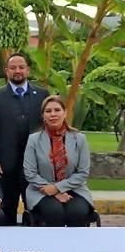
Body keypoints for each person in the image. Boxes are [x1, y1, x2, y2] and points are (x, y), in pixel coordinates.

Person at [0, 53, 49, 224]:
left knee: (36, 210)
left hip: (35, 164)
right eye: (13, 68)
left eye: (21, 67)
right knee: (7, 208)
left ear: (28, 70)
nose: (17, 71)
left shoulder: (42, 94)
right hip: (6, 165)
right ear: (6, 71)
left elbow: (47, 128)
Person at [23, 95, 94, 227]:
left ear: (65, 113)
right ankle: (53, 247)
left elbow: (83, 173)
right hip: (41, 190)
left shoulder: (79, 139)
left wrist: (57, 188)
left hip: (74, 189)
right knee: (54, 212)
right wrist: (51, 190)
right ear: (43, 116)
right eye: (48, 111)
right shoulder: (33, 140)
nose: (53, 114)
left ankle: (76, 247)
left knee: (77, 212)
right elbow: (30, 173)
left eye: (57, 110)